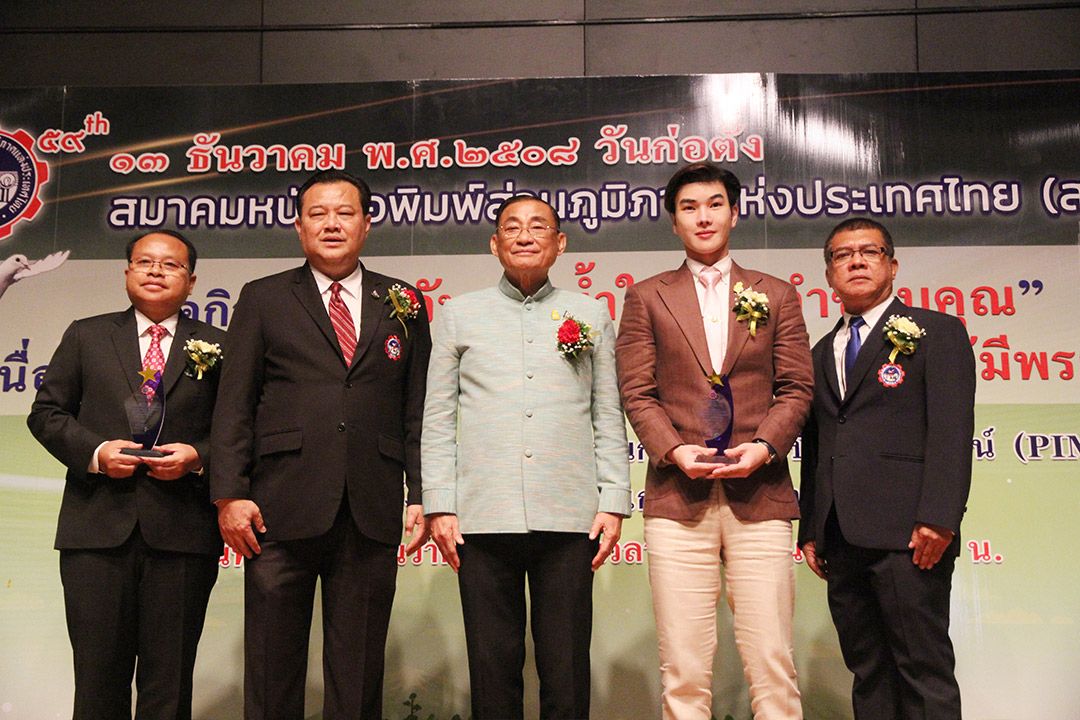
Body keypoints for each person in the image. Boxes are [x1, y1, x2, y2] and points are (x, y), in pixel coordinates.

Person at [210, 169, 431, 719]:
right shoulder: (263, 297)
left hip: (369, 506)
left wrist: (422, 492)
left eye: (345, 213)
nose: (332, 224)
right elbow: (235, 403)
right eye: (318, 213)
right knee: (271, 668)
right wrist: (229, 494)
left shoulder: (404, 300)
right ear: (299, 226)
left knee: (358, 676)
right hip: (276, 508)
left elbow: (417, 409)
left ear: (367, 223)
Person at [616, 162, 812, 720]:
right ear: (673, 222)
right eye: (689, 207)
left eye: (714, 204)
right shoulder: (647, 297)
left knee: (772, 662)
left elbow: (797, 387)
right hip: (677, 498)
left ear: (734, 213)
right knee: (683, 670)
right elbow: (637, 391)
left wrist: (765, 447)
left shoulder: (776, 294)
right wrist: (676, 451)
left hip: (761, 495)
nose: (703, 217)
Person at [423, 195, 631, 719]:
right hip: (481, 517)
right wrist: (440, 504)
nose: (524, 235)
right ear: (494, 245)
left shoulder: (591, 313)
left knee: (566, 669)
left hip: (569, 517)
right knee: (492, 670)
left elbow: (608, 413)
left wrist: (613, 500)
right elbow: (438, 417)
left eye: (538, 227)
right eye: (511, 227)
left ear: (560, 244)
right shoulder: (458, 314)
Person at [27, 230, 224, 719]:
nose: (156, 271)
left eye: (171, 264)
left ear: (192, 281)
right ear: (127, 272)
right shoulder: (87, 335)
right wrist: (96, 452)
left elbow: (241, 429)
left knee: (168, 686)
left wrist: (197, 456)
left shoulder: (222, 344)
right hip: (96, 533)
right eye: (145, 261)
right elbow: (46, 413)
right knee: (97, 682)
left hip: (182, 534)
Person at [798, 218, 974, 719]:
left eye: (869, 251)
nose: (855, 261)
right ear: (829, 275)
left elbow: (952, 430)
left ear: (892, 266)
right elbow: (818, 444)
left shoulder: (937, 332)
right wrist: (811, 527)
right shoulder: (818, 353)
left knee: (923, 670)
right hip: (840, 538)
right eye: (842, 254)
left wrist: (939, 516)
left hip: (911, 536)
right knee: (868, 671)